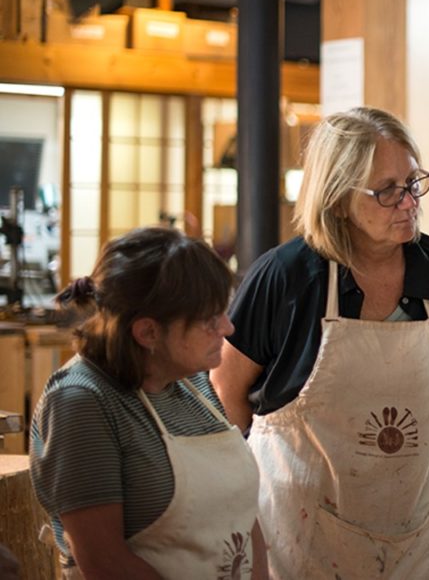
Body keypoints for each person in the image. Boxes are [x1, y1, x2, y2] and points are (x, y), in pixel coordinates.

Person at [210, 107, 429, 579]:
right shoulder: (287, 277)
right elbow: (226, 393)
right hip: (303, 530)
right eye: (386, 191)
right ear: (336, 199)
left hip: (421, 529)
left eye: (413, 183)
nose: (408, 202)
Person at [30, 227, 266, 579]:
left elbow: (243, 519)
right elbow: (106, 561)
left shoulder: (194, 383)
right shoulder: (81, 403)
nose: (228, 328)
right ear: (148, 333)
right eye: (209, 320)